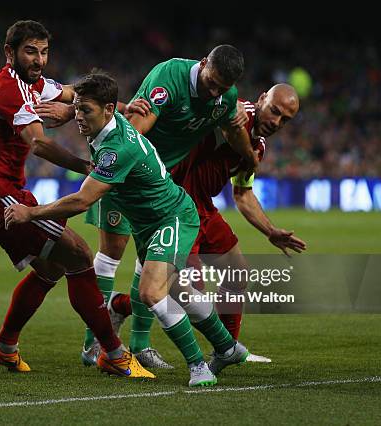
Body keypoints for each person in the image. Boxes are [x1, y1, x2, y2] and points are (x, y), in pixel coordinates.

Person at [4, 71, 250, 386]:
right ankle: (227, 347)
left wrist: (32, 213)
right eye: (77, 109)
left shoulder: (117, 148)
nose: (78, 117)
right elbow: (106, 103)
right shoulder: (108, 124)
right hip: (148, 224)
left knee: (151, 292)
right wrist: (72, 103)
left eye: (85, 110)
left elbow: (82, 200)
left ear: (107, 110)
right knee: (178, 291)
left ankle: (198, 367)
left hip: (171, 217)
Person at [0, 20, 153, 379]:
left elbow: (70, 92)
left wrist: (123, 105)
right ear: (10, 53)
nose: (38, 59)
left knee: (51, 269)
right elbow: (37, 143)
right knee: (80, 256)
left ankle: (4, 347)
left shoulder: (36, 84)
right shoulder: (8, 89)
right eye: (30, 51)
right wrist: (88, 166)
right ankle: (113, 353)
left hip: (6, 191)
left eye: (44, 51)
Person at [76, 46, 257, 368]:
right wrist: (118, 159)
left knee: (150, 262)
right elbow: (138, 126)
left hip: (160, 183)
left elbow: (232, 129)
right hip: (123, 172)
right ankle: (95, 346)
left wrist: (249, 156)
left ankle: (140, 345)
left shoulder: (225, 97)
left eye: (222, 88)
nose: (213, 91)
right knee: (110, 254)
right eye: (211, 82)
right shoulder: (169, 77)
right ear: (203, 64)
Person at [108, 84, 307, 369]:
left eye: (285, 119)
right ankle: (120, 306)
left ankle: (226, 350)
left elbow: (243, 194)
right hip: (174, 204)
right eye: (274, 111)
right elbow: (223, 117)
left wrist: (271, 231)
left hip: (203, 208)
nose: (276, 122)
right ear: (261, 99)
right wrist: (237, 123)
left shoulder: (258, 146)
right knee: (188, 295)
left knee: (237, 274)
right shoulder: (235, 112)